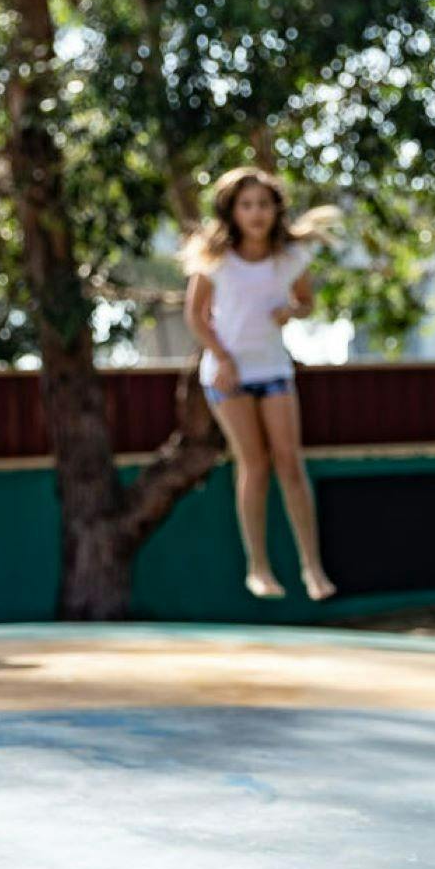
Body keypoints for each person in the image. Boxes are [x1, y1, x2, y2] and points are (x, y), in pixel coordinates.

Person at [182, 167, 340, 601]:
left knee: (289, 463)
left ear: (276, 210)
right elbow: (196, 316)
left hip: (273, 371)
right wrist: (222, 357)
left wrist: (291, 311)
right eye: (246, 205)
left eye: (263, 204)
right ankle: (259, 568)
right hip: (227, 375)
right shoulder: (214, 258)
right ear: (232, 210)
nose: (256, 213)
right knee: (253, 464)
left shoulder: (291, 257)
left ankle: (312, 568)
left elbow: (306, 302)